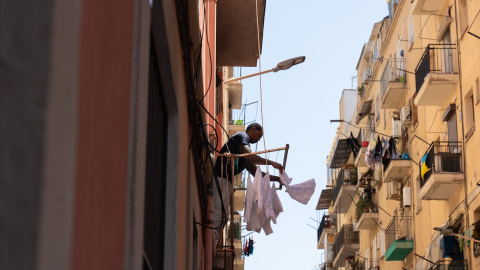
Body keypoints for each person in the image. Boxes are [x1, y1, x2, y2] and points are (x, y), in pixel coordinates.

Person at [212, 122, 284, 230]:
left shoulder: (244, 152)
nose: (259, 139)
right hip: (221, 178)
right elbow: (250, 157)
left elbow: (257, 173)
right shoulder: (242, 136)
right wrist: (271, 162)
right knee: (220, 215)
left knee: (224, 216)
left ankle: (213, 240)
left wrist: (277, 179)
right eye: (259, 136)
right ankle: (212, 242)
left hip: (225, 181)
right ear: (253, 129)